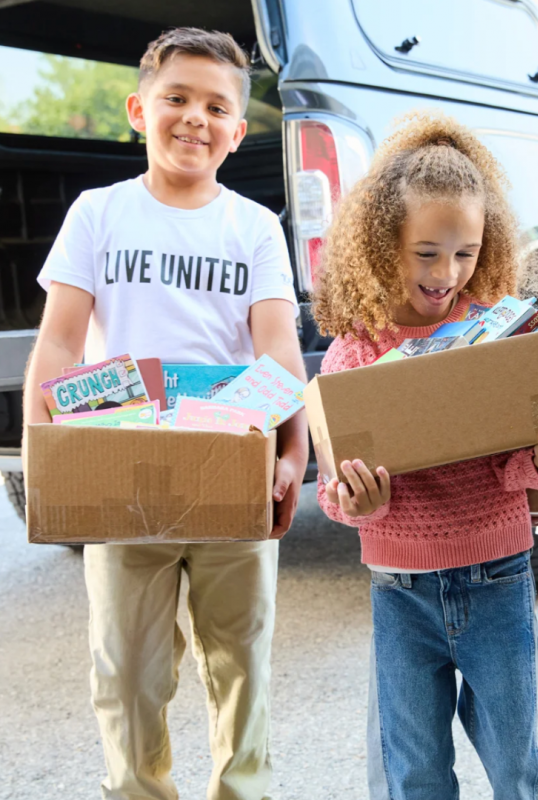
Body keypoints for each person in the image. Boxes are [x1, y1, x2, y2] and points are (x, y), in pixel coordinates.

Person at [23, 28, 308, 800]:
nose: (194, 118)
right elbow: (58, 343)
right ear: (137, 110)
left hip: (231, 468)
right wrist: (44, 456)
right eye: (176, 98)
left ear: (238, 131)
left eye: (216, 106)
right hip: (125, 471)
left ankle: (241, 791)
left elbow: (278, 352)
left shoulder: (252, 226)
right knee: (127, 671)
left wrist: (291, 454)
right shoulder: (98, 213)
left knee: (242, 662)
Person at [312, 112, 538, 800]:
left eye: (466, 252)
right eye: (427, 252)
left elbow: (514, 465)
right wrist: (357, 500)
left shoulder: (497, 332)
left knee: (515, 764)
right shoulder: (354, 351)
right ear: (384, 246)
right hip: (399, 588)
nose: (448, 273)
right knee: (414, 771)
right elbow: (332, 489)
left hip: (496, 573)